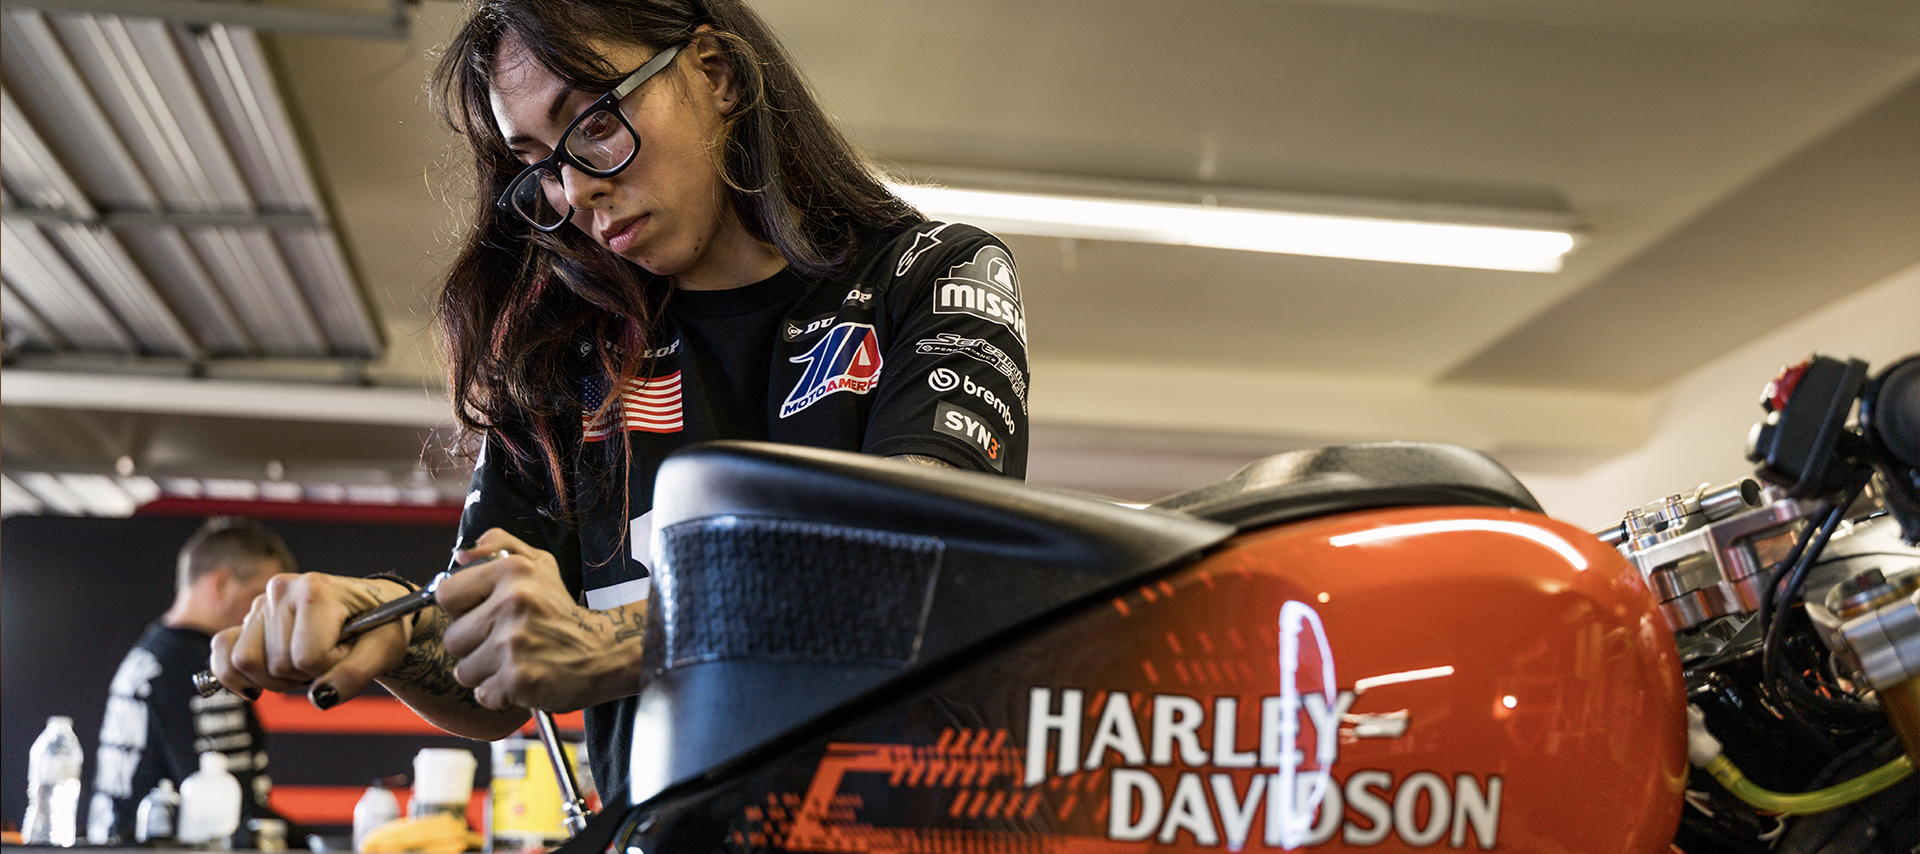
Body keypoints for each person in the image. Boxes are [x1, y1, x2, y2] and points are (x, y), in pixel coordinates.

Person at [211, 0, 1030, 810]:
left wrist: (620, 643)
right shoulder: (566, 360)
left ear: (715, 74)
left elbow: (929, 562)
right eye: (539, 164)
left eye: (595, 123)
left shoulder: (930, 276)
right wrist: (388, 626)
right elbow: (489, 686)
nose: (578, 190)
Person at [95, 517, 295, 842]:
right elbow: (236, 814)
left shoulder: (150, 654)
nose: (268, 616)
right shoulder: (204, 668)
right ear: (220, 584)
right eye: (261, 597)